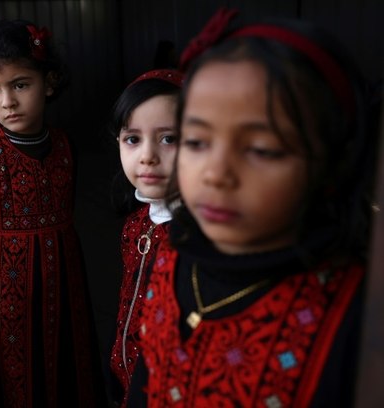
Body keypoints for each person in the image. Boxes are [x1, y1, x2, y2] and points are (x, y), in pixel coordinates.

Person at [135, 7, 377, 407]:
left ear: (335, 164)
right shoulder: (172, 255)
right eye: (196, 142)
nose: (215, 175)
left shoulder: (355, 320)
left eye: (261, 149)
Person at [0, 19, 105, 407]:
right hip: (9, 299)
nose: (7, 101)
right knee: (18, 383)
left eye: (20, 85)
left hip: (67, 285)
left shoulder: (64, 146)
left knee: (71, 364)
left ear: (49, 81)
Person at [106, 69, 183, 407]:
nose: (147, 155)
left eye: (168, 138)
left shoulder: (195, 239)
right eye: (132, 139)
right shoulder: (136, 224)